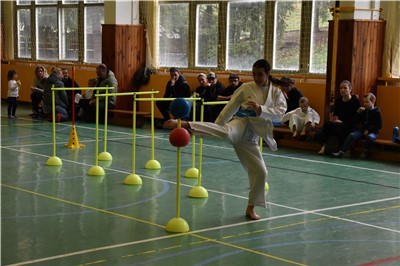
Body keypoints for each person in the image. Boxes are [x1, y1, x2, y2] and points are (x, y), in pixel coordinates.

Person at [163, 59, 287, 220]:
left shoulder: (276, 93)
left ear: (268, 74)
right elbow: (230, 108)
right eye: (254, 74)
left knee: (262, 172)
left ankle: (251, 208)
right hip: (240, 123)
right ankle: (187, 124)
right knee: (226, 132)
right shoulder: (246, 88)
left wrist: (261, 109)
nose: (256, 78)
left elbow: (280, 113)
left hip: (251, 137)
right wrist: (217, 126)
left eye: (260, 75)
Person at [332, 93, 382, 159]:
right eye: (364, 102)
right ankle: (342, 152)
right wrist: (358, 113)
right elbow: (355, 121)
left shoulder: (377, 112)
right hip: (363, 132)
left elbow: (379, 125)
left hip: (373, 132)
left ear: (373, 101)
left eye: (367, 102)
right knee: (351, 135)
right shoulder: (364, 111)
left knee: (370, 137)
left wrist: (369, 130)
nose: (365, 104)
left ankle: (365, 152)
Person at [316, 80, 360, 155]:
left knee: (338, 128)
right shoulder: (338, 101)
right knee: (326, 126)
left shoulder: (355, 101)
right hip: (339, 123)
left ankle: (343, 149)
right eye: (341, 88)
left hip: (349, 124)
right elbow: (336, 115)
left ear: (350, 89)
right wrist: (334, 119)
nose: (342, 90)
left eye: (345, 88)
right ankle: (324, 146)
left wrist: (341, 122)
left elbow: (355, 119)